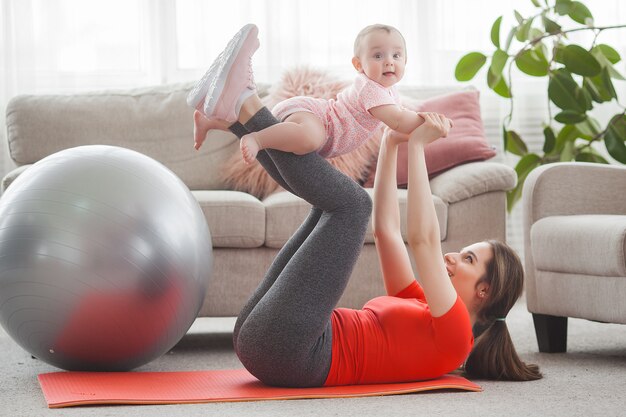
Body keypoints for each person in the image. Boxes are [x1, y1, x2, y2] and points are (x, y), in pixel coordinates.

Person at [190, 24, 542, 386]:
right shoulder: (422, 304)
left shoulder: (454, 334)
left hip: (294, 352)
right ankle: (239, 112)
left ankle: (244, 103)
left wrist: (418, 147)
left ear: (484, 291)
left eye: (468, 259)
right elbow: (387, 232)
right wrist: (391, 145)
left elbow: (423, 240)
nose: (452, 257)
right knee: (337, 207)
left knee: (351, 205)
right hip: (270, 338)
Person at [188, 23, 425, 165]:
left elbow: (400, 115)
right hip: (317, 117)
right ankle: (257, 139)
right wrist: (430, 121)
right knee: (311, 138)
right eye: (378, 56)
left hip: (316, 120)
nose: (389, 63)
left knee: (295, 134)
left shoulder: (388, 91)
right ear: (358, 64)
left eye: (396, 55)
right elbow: (398, 120)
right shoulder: (370, 89)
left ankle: (212, 121)